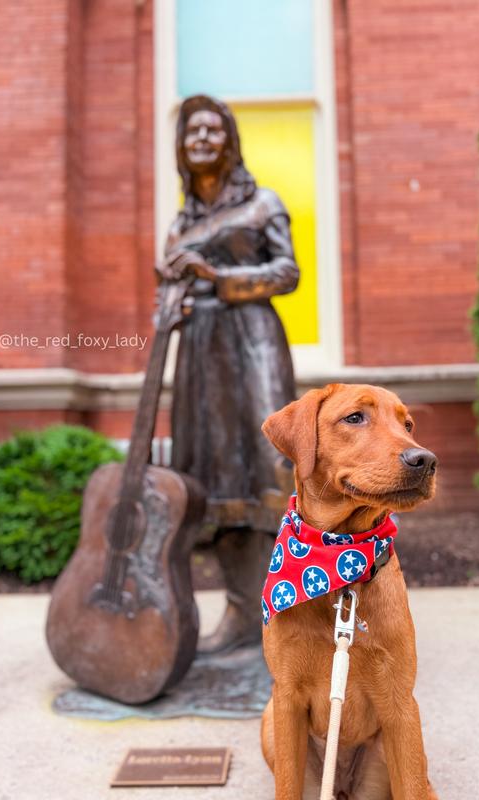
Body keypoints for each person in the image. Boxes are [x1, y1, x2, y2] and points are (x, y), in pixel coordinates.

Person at [156, 95, 299, 655]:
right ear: (181, 147)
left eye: (214, 130)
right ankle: (242, 611)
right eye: (192, 131)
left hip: (253, 342)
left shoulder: (264, 203)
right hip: (199, 353)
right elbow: (169, 291)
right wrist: (171, 301)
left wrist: (217, 277)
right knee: (213, 476)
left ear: (230, 141)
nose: (202, 139)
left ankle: (290, 612)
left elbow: (287, 273)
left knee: (270, 464)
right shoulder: (178, 224)